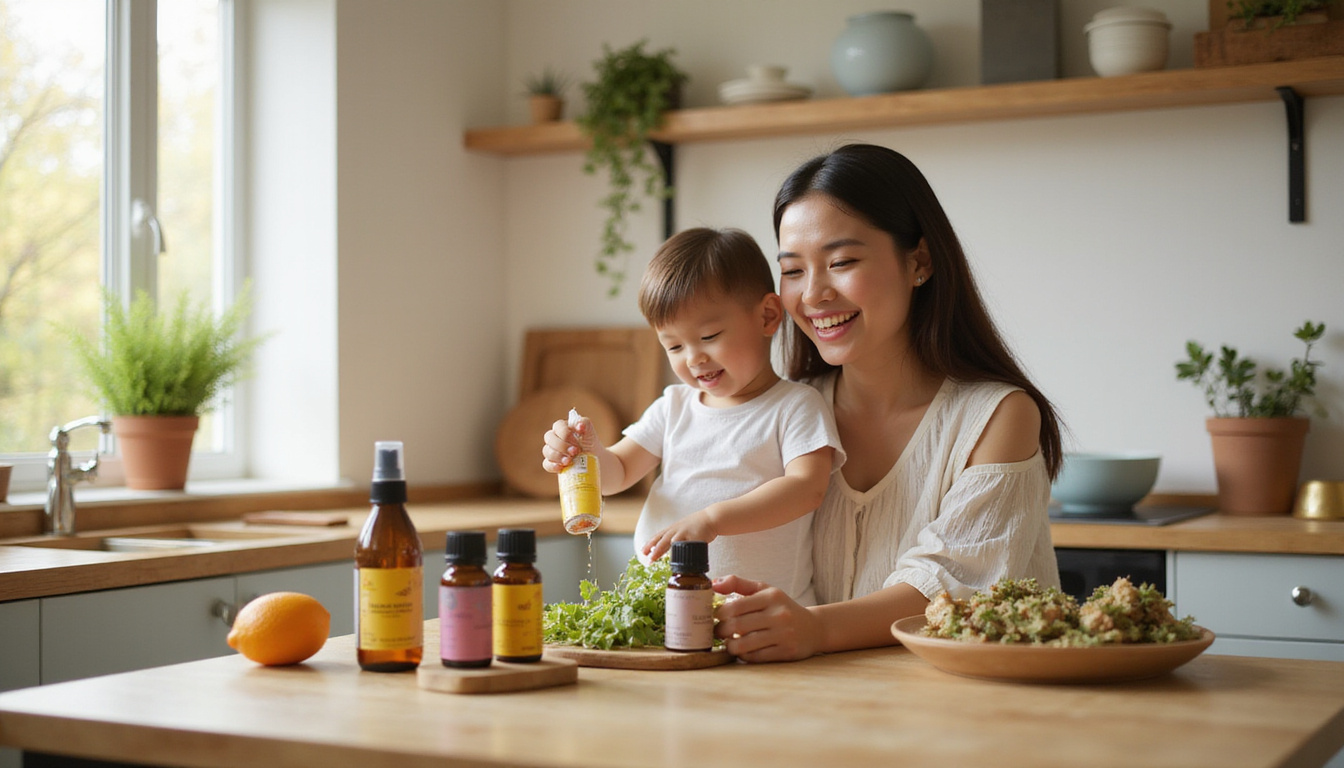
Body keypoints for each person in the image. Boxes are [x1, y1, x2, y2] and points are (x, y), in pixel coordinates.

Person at [712, 143, 1064, 662]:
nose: (813, 295)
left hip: (976, 702)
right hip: (823, 702)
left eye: (841, 262)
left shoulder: (998, 417)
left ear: (918, 261)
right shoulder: (788, 414)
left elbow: (950, 587)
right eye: (793, 271)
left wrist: (815, 629)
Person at [541, 227, 845, 606]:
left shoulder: (796, 406)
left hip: (758, 614)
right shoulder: (674, 406)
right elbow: (618, 471)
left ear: (767, 316)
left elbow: (806, 488)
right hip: (663, 607)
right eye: (674, 346)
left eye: (709, 336)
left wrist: (712, 520)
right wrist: (587, 453)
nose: (693, 358)